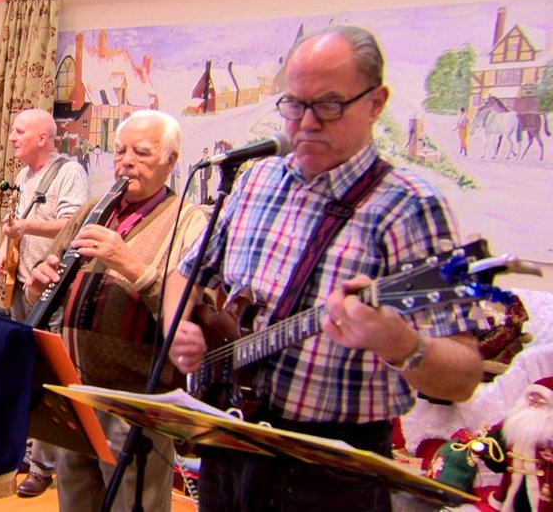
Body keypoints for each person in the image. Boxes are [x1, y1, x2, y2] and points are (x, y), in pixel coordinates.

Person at [165, 26, 485, 511]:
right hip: (231, 442)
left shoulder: (412, 207)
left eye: (330, 105)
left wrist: (400, 343)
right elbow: (186, 274)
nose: (307, 123)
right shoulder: (256, 181)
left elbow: (464, 375)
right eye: (294, 104)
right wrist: (180, 330)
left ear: (376, 103)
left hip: (334, 470)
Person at [26, 109, 209, 511]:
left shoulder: (189, 222)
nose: (126, 161)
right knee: (75, 498)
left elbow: (184, 315)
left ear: (171, 161)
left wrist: (127, 262)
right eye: (121, 150)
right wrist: (38, 280)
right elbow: (46, 276)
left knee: (132, 502)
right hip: (76, 387)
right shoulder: (96, 206)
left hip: (135, 399)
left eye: (141, 153)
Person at [0, 108, 89, 497]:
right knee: (25, 373)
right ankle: (25, 447)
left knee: (49, 378)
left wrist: (26, 228)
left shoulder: (70, 174)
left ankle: (42, 465)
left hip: (52, 291)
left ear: (43, 138)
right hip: (22, 285)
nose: (12, 138)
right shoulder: (24, 175)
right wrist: (5, 247)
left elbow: (75, 224)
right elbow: (17, 219)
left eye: (19, 132)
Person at [482, 377, 553, 512]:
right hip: (517, 486)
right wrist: (485, 449)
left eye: (541, 400)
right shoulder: (513, 426)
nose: (535, 403)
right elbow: (499, 457)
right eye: (531, 399)